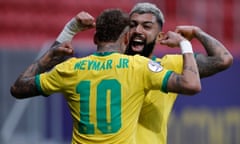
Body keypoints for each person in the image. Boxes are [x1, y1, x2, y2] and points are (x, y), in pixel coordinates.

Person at [10, 8, 201, 144]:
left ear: (95, 39)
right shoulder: (138, 67)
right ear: (126, 39)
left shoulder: (70, 69)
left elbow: (18, 89)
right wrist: (185, 44)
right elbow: (191, 84)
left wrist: (63, 38)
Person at [125, 2, 233, 144]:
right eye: (133, 25)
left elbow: (223, 59)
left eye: (146, 26)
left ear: (159, 37)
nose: (138, 30)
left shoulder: (169, 65)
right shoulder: (112, 64)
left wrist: (195, 32)